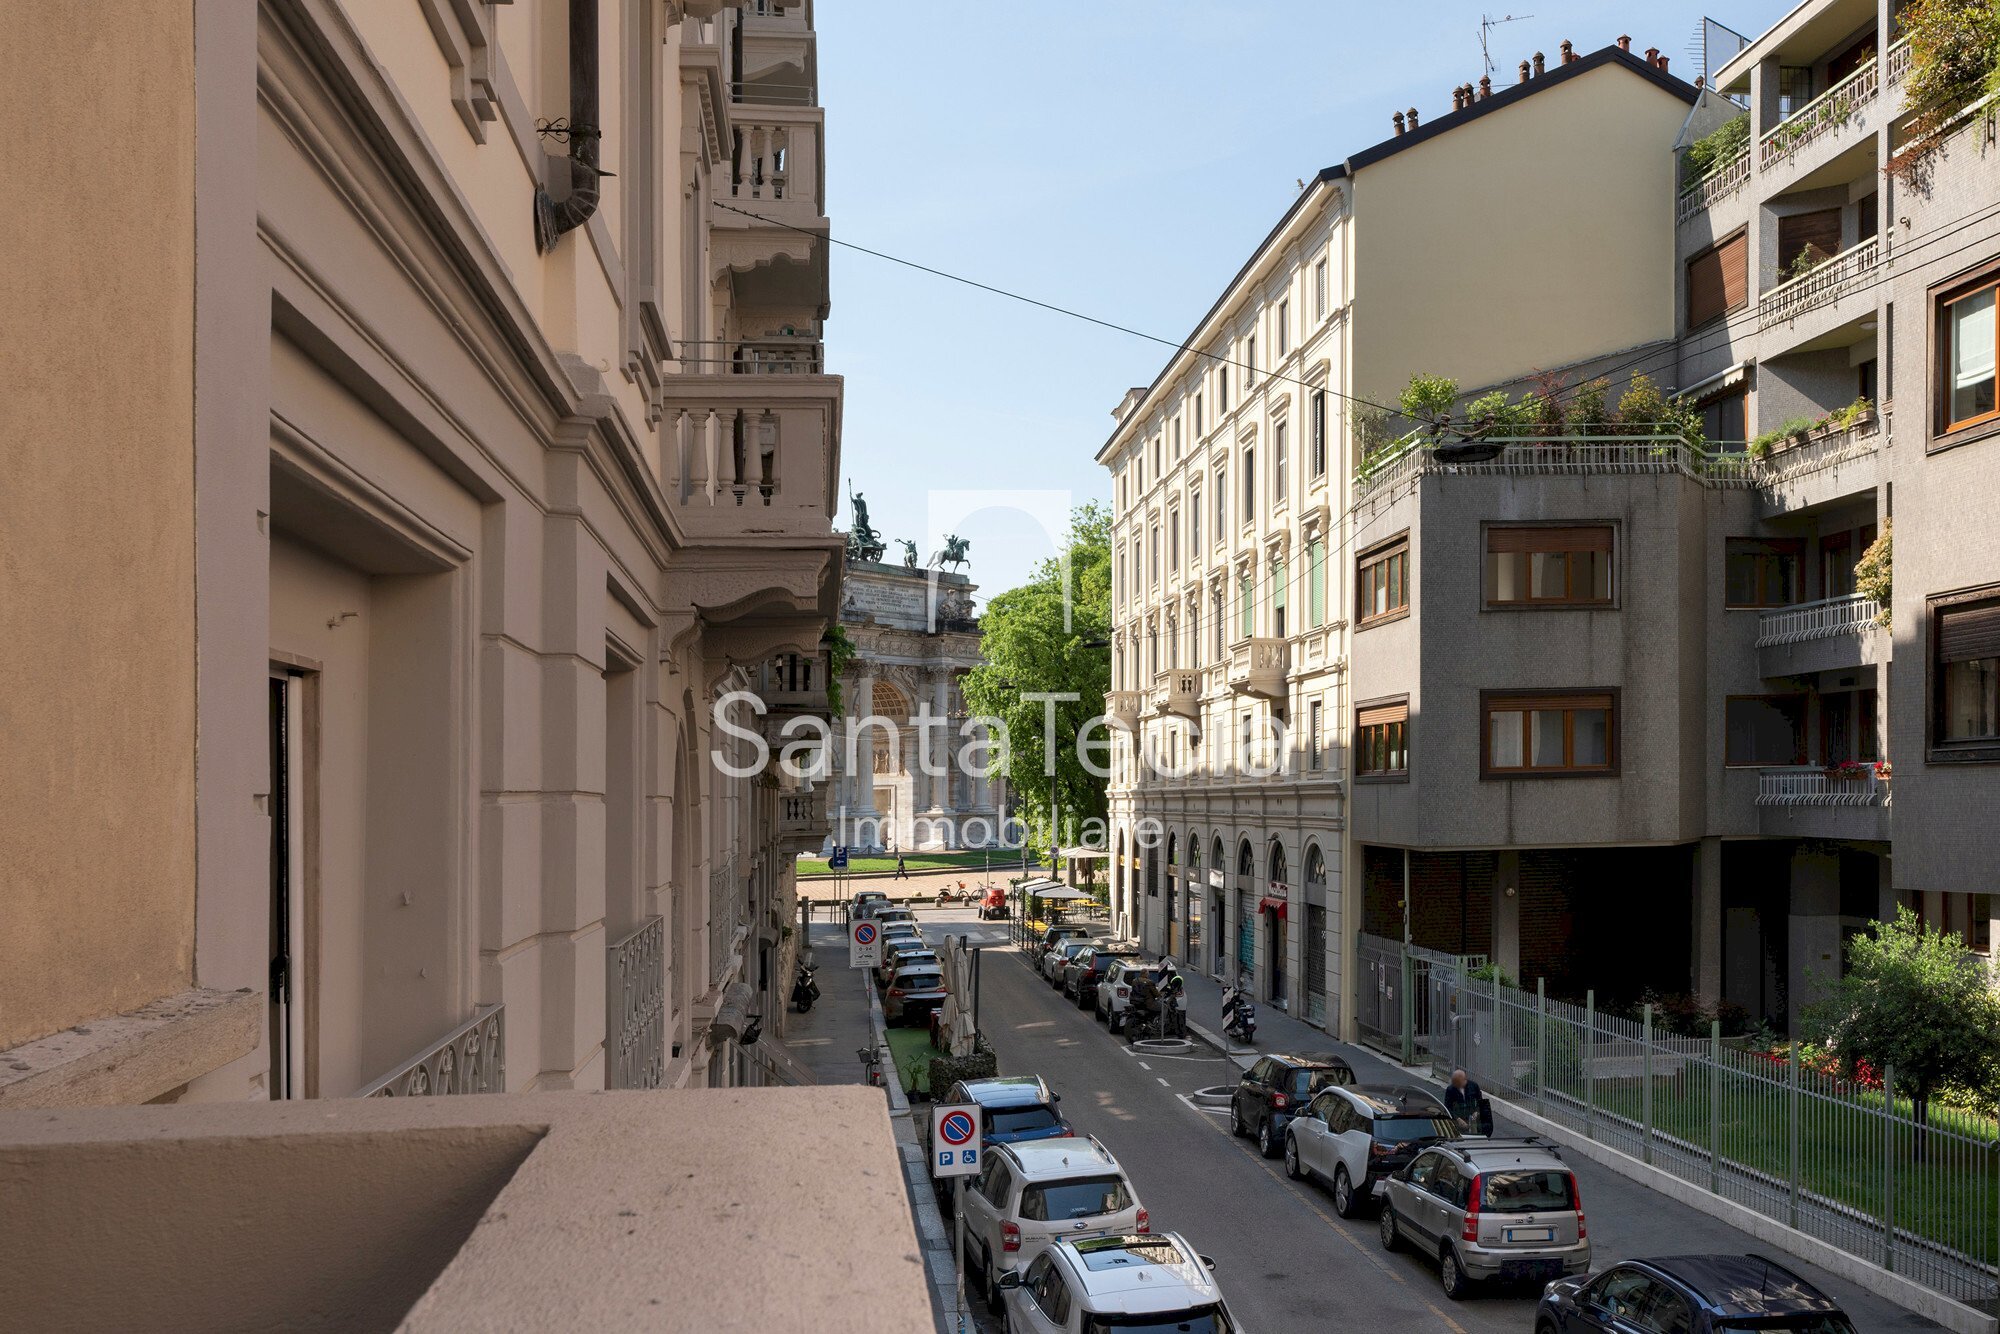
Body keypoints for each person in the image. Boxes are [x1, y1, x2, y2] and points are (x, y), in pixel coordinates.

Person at [1444, 1068, 1486, 1134]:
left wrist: (1477, 1111)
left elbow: (1480, 1102)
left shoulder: (1474, 1086)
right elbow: (1447, 1107)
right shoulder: (1450, 1089)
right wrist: (1457, 1119)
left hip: (1472, 1119)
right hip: (1458, 1119)